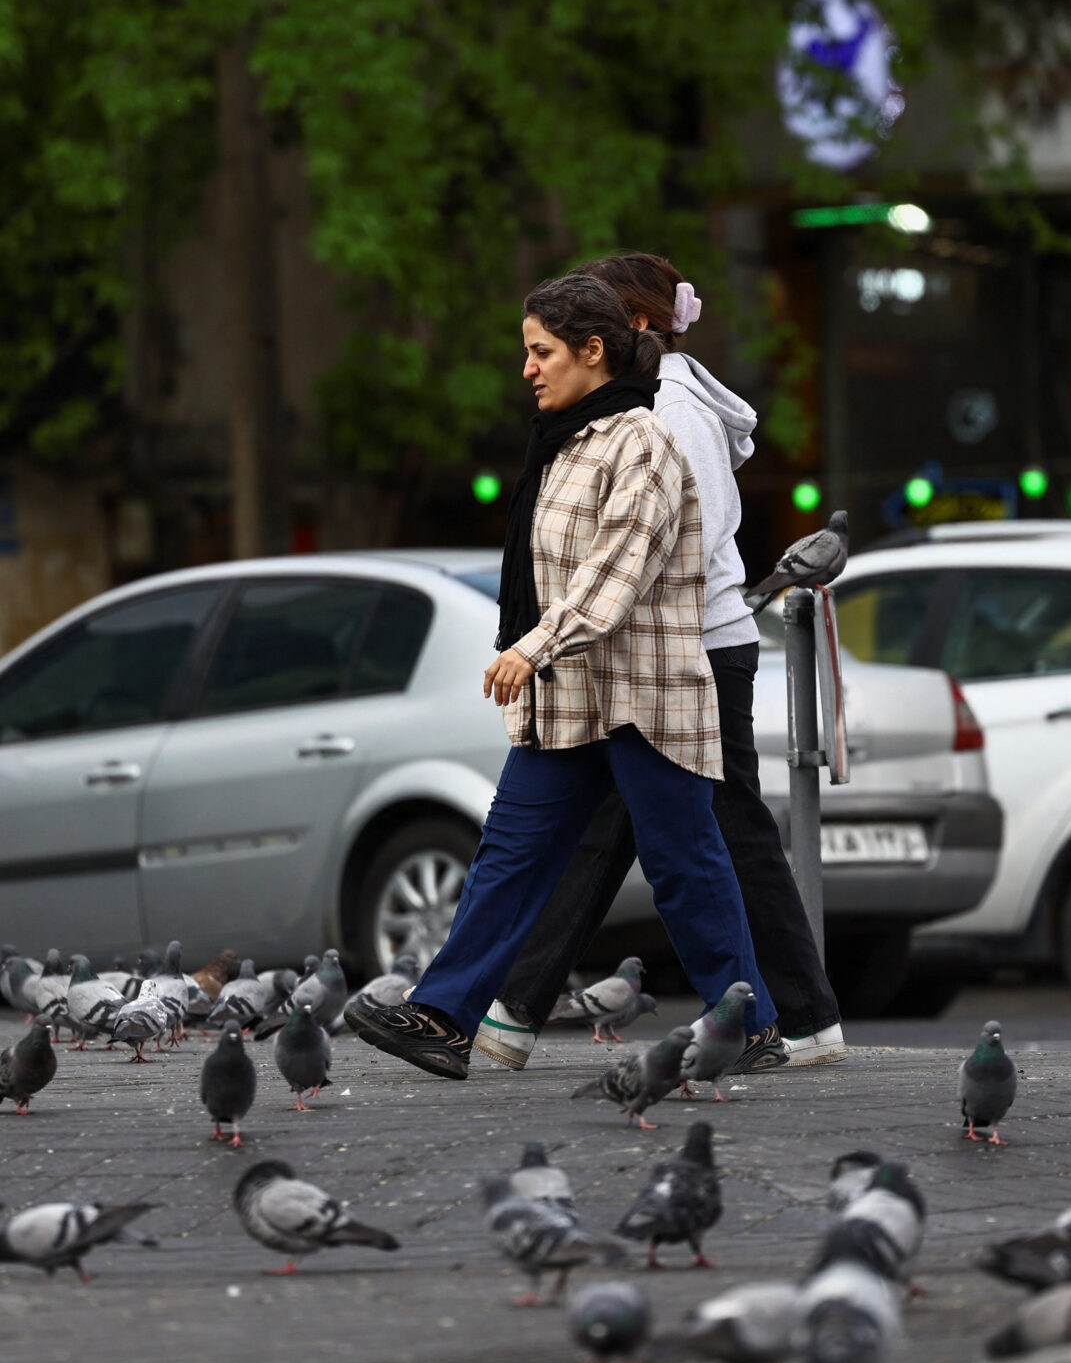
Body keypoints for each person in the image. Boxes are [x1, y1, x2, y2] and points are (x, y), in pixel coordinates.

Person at [346, 271, 776, 1080]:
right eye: (527, 352)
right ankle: (442, 1016)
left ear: (593, 350)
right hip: (572, 700)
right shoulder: (569, 438)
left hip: (642, 697)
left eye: (541, 352)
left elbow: (617, 571)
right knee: (509, 856)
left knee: (684, 863)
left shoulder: (643, 441)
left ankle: (748, 1023)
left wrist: (533, 646)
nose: (528, 368)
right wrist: (544, 656)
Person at [472, 252, 844, 1074]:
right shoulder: (663, 402)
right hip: (668, 642)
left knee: (699, 828)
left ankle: (515, 1009)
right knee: (649, 825)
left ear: (630, 326)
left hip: (690, 647)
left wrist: (561, 627)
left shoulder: (668, 409)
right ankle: (516, 1010)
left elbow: (676, 541)